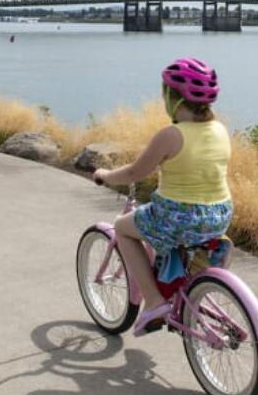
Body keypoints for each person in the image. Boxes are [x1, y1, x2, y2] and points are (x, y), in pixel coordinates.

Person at [93, 57, 232, 336]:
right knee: (174, 232)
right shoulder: (219, 130)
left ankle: (155, 302)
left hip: (177, 218)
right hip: (219, 216)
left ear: (173, 97)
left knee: (123, 228)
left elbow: (135, 171)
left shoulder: (172, 134)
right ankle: (190, 290)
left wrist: (106, 175)